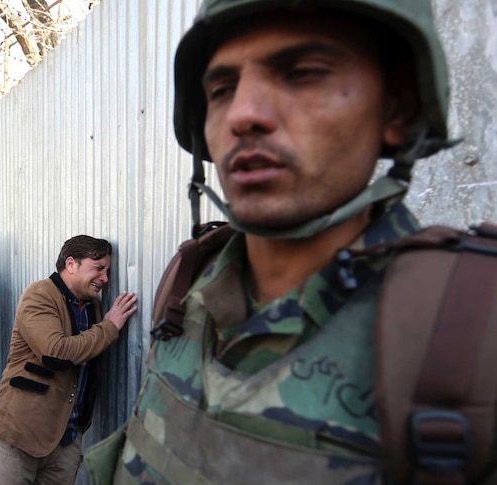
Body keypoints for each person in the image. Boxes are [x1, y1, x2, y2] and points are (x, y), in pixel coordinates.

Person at [84, 0, 481, 483]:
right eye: (222, 89)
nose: (243, 115)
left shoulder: (470, 333)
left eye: (304, 73)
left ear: (396, 107)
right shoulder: (188, 286)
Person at [0, 235, 137, 484]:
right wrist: (109, 327)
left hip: (66, 440)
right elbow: (55, 352)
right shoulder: (40, 294)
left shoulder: (92, 308)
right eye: (98, 268)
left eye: (108, 271)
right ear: (70, 264)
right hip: (21, 433)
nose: (105, 279)